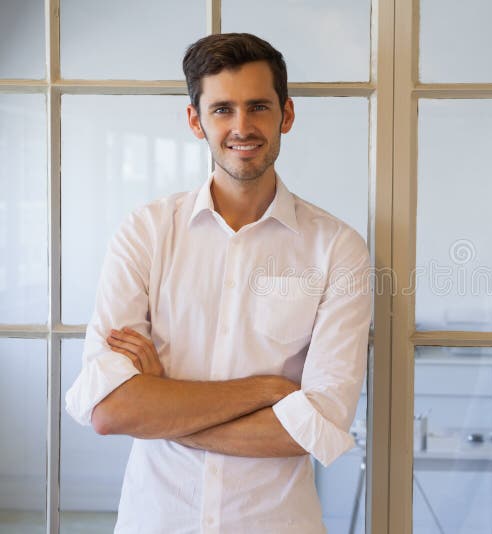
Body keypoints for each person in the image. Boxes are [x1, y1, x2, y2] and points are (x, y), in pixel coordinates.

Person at [65, 32, 371, 534]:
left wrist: (163, 401)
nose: (242, 127)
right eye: (223, 109)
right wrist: (267, 390)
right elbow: (111, 408)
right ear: (196, 121)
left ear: (286, 116)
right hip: (156, 519)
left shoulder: (338, 249)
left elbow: (314, 428)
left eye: (258, 107)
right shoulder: (146, 232)